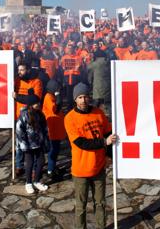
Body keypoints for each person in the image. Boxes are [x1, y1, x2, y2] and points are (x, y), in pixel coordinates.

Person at [64, 83, 117, 229]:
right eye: (80, 97)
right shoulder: (69, 118)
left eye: (85, 96)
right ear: (75, 99)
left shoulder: (98, 113)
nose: (83, 100)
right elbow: (81, 143)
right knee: (81, 206)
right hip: (81, 171)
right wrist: (103, 142)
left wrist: (109, 155)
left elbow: (108, 134)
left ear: (89, 97)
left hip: (99, 168)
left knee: (100, 203)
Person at [16, 94, 50, 194]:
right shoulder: (24, 115)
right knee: (29, 163)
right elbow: (19, 130)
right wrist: (23, 144)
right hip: (28, 145)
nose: (38, 104)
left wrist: (45, 140)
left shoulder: (40, 114)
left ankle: (37, 181)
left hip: (39, 143)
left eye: (39, 102)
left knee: (41, 161)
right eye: (36, 103)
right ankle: (28, 182)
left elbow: (44, 127)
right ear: (30, 104)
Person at [13, 63, 43, 175]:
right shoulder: (16, 80)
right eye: (18, 69)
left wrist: (18, 97)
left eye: (22, 69)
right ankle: (19, 165)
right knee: (19, 144)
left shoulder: (36, 81)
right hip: (18, 117)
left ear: (28, 70)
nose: (19, 72)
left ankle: (35, 168)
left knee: (33, 144)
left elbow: (35, 98)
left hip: (31, 117)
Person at [42, 79, 66, 178]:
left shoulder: (50, 96)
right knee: (53, 150)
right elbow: (55, 109)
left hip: (56, 128)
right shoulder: (49, 97)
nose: (59, 90)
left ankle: (53, 167)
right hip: (53, 129)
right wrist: (58, 96)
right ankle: (50, 170)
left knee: (56, 149)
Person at [87, 50, 111, 116]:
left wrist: (90, 82)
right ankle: (111, 118)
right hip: (108, 87)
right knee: (108, 104)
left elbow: (88, 69)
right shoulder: (108, 62)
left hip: (98, 87)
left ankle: (94, 116)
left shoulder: (95, 64)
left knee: (96, 103)